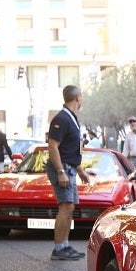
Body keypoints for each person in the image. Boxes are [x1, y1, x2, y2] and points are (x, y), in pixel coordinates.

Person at [46, 85, 91, 261]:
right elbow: (53, 145)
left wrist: (80, 170)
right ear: (78, 98)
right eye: (82, 97)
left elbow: (69, 149)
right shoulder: (62, 118)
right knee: (65, 206)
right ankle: (58, 249)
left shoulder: (70, 118)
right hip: (62, 167)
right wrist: (60, 171)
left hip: (69, 167)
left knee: (70, 207)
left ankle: (64, 245)